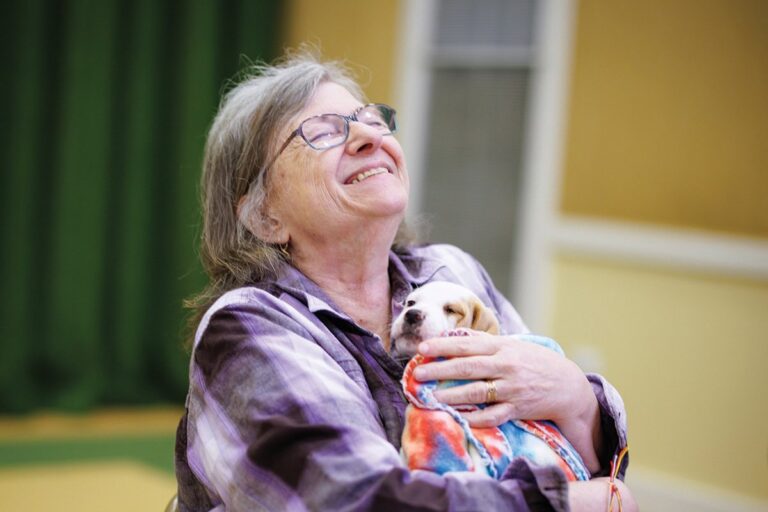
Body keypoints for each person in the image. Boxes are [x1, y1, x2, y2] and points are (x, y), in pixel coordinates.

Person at [174, 51, 636, 512]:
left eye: (373, 120)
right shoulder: (248, 327)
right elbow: (355, 502)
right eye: (322, 132)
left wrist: (578, 401)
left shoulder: (452, 272)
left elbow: (563, 450)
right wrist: (567, 504)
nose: (366, 138)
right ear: (264, 215)